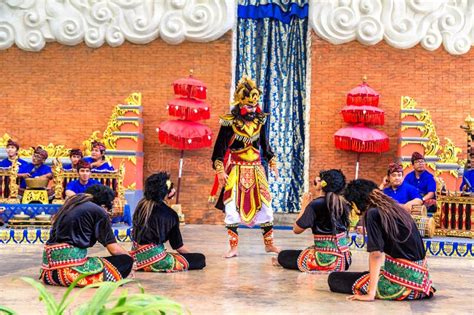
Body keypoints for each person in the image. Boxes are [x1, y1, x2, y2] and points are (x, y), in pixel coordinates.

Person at [327, 179, 435, 301]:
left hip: (403, 287)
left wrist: (370, 294)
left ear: (357, 202)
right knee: (366, 274)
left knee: (334, 278)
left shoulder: (372, 213)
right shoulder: (395, 208)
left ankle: (373, 290)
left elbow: (376, 255)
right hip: (421, 284)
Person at [211, 76, 279, 258]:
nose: (252, 109)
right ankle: (233, 247)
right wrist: (219, 171)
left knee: (266, 206)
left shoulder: (261, 121)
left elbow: (265, 145)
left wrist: (272, 161)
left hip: (257, 170)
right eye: (249, 106)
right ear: (240, 103)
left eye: (254, 105)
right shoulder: (229, 122)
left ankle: (269, 244)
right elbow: (218, 151)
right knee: (231, 207)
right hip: (236, 170)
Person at [40, 185, 133, 287]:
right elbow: (114, 249)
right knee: (125, 261)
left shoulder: (71, 205)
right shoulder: (98, 211)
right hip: (69, 274)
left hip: (48, 273)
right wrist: (131, 259)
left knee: (95, 260)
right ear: (104, 205)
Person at [275, 170, 352, 272]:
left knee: (283, 255)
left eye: (318, 181)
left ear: (322, 185)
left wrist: (304, 206)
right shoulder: (344, 204)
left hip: (326, 261)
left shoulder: (316, 204)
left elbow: (296, 229)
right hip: (345, 259)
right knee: (307, 250)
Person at [131, 172, 205, 272]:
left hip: (136, 257)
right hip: (157, 260)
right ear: (167, 193)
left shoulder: (141, 206)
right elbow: (178, 247)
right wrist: (192, 256)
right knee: (200, 258)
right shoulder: (171, 214)